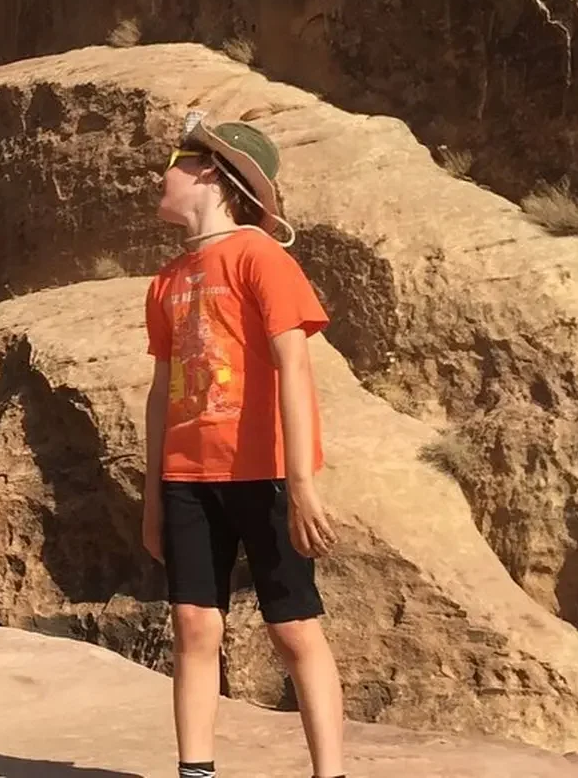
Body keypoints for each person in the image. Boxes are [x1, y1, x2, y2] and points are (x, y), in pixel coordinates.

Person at [142, 115, 346, 778]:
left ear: (208, 173)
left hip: (265, 472)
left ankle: (330, 773)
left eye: (173, 159)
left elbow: (294, 365)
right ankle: (194, 771)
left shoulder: (261, 257)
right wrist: (152, 497)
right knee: (195, 629)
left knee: (292, 630)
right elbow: (160, 393)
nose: (161, 173)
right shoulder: (167, 281)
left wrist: (303, 483)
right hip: (187, 479)